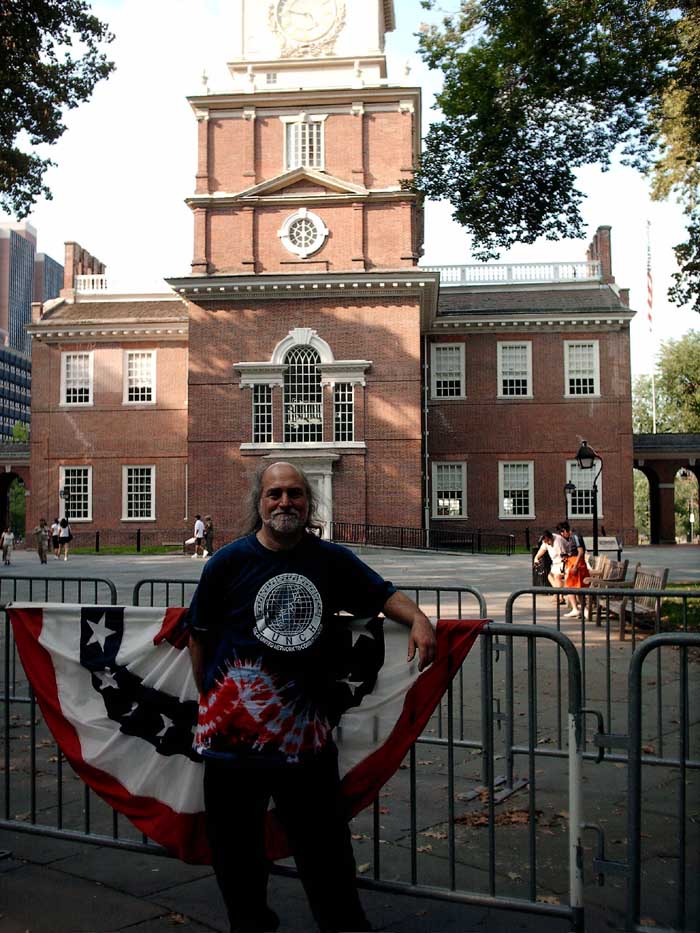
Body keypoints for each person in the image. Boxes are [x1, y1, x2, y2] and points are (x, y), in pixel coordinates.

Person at [188, 461, 436, 933]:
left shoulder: (329, 560)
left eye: (295, 494)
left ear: (309, 502)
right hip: (232, 744)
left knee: (326, 858)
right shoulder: (227, 562)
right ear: (259, 504)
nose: (286, 503)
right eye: (275, 494)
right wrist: (211, 696)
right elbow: (199, 636)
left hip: (304, 742)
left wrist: (419, 619)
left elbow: (381, 593)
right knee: (237, 860)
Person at [557, 521, 590, 617]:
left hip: (576, 565)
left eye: (562, 533)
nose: (563, 535)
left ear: (564, 530)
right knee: (575, 589)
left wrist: (575, 566)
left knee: (574, 588)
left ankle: (580, 609)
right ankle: (581, 609)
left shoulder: (575, 536)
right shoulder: (573, 537)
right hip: (573, 563)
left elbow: (581, 552)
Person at [532, 529, 567, 602]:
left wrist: (563, 569)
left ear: (550, 537)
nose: (547, 543)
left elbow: (564, 556)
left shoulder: (558, 541)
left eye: (548, 541)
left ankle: (560, 596)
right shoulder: (545, 540)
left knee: (557, 577)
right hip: (556, 562)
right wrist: (536, 558)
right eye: (545, 542)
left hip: (563, 562)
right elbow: (542, 550)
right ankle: (558, 593)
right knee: (550, 576)